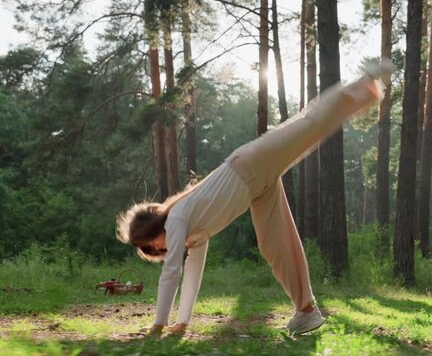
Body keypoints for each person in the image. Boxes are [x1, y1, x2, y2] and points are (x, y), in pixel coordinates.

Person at [116, 60, 395, 336]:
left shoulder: (176, 219)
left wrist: (157, 326)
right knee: (277, 245)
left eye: (149, 246)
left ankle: (364, 82)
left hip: (250, 163)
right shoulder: (193, 233)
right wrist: (182, 323)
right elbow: (191, 275)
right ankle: (307, 312)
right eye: (150, 252)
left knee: (309, 124)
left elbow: (171, 273)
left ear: (153, 231)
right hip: (258, 187)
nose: (155, 251)